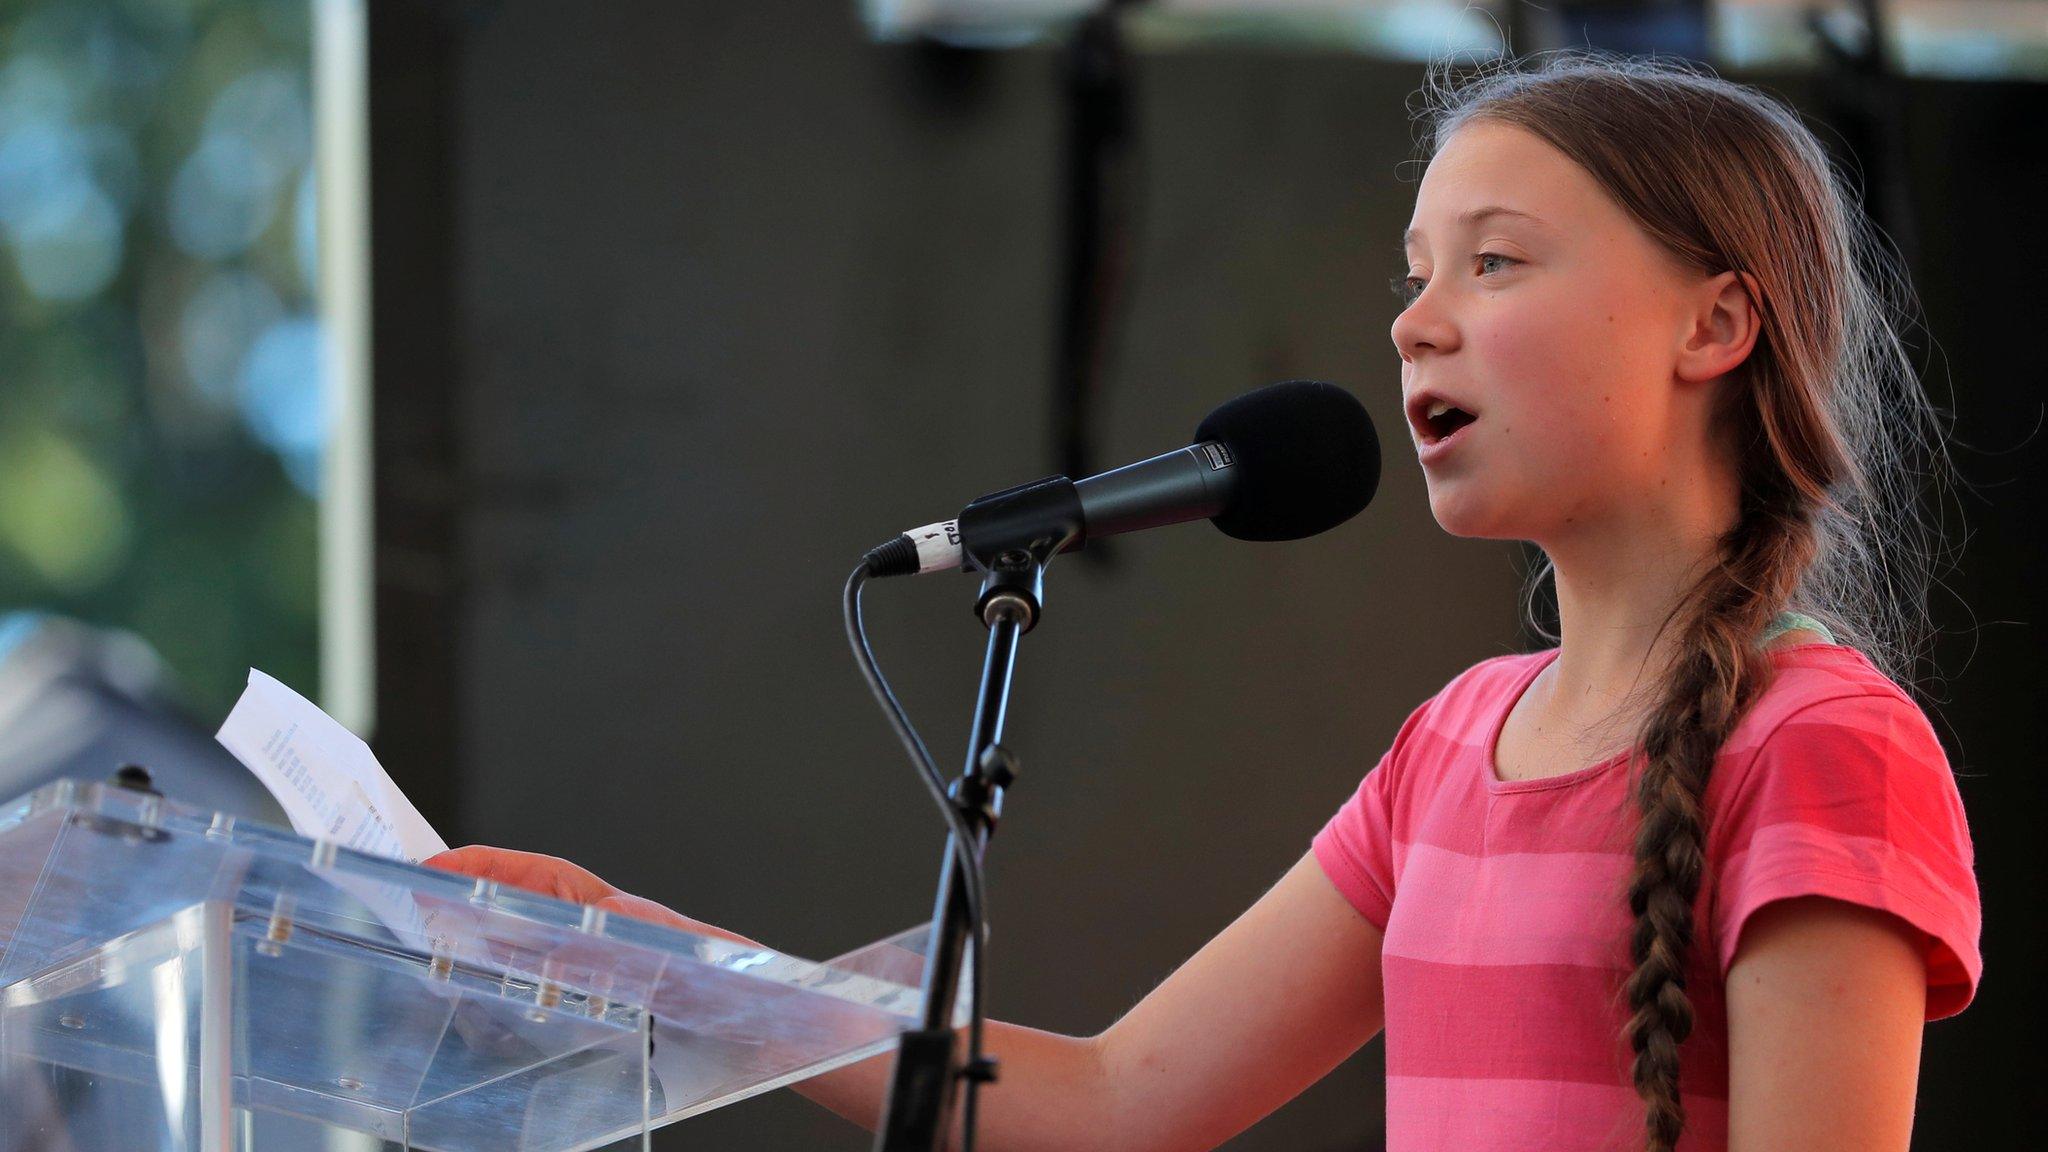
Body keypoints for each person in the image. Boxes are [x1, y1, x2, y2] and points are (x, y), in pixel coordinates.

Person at [425, 50, 1982, 1152]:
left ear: (1714, 324)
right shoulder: (1451, 747)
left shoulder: (1822, 745)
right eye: (1414, 271)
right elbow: (1114, 1102)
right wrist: (643, 959)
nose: (1416, 324)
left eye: (1496, 264)